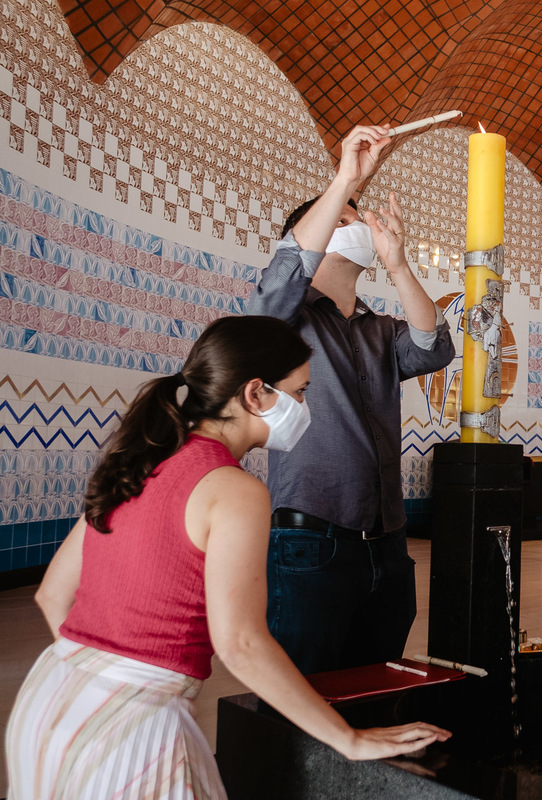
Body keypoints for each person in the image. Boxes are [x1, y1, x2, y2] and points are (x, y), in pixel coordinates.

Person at [5, 316, 451, 799]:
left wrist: (108, 680)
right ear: (255, 394)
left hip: (51, 700)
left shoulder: (140, 459)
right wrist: (349, 738)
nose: (304, 407)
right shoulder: (235, 489)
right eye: (300, 393)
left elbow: (53, 594)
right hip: (131, 731)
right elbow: (239, 641)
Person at [245, 124, 456, 674]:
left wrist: (399, 265)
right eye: (344, 218)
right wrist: (344, 180)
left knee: (374, 680)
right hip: (311, 537)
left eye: (357, 215)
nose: (359, 223)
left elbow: (433, 349)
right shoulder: (286, 319)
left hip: (385, 541)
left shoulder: (379, 329)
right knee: (308, 684)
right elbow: (283, 276)